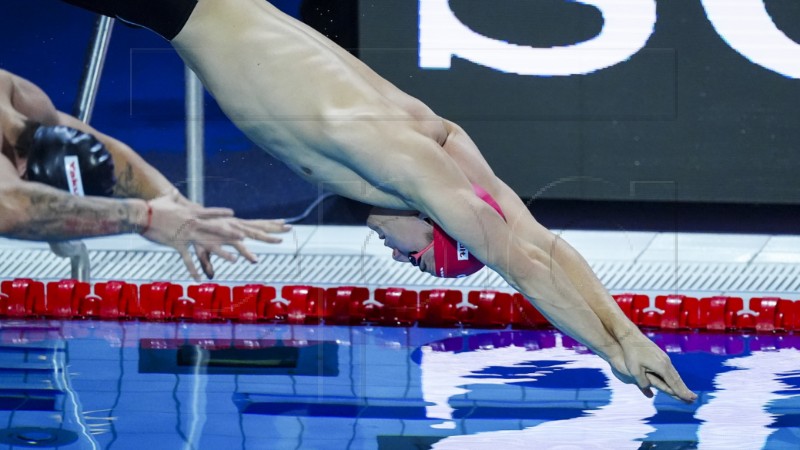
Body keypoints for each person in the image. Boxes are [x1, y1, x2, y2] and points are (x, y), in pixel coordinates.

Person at [55, 0, 697, 403]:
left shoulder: (442, 138)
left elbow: (543, 242)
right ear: (435, 226)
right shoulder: (408, 163)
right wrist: (616, 349)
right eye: (420, 261)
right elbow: (524, 265)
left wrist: (630, 332)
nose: (398, 259)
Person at [0, 68, 290, 280]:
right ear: (22, 171)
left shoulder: (22, 101)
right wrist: (145, 217)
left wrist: (176, 205)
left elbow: (94, 143)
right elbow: (12, 208)